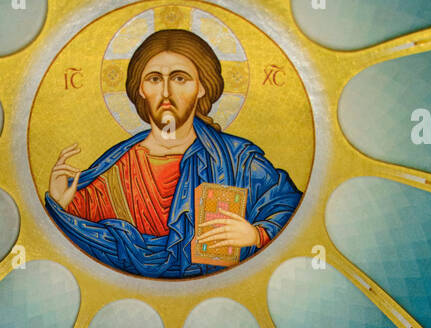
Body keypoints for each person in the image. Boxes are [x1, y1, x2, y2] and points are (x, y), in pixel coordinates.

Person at [45, 29, 302, 278]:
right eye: (154, 79)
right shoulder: (116, 168)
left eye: (180, 78)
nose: (166, 92)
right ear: (141, 89)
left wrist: (257, 235)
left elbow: (289, 204)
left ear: (202, 87)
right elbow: (80, 242)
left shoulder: (237, 160)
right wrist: (61, 204)